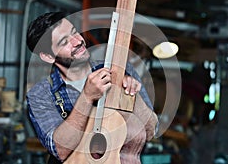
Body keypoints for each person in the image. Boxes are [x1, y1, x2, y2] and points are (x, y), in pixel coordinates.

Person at [26, 11, 158, 164]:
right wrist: (87, 97)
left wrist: (132, 96)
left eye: (74, 32)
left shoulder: (121, 70)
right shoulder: (40, 95)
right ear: (48, 56)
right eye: (64, 42)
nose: (77, 41)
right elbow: (60, 151)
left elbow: (150, 132)